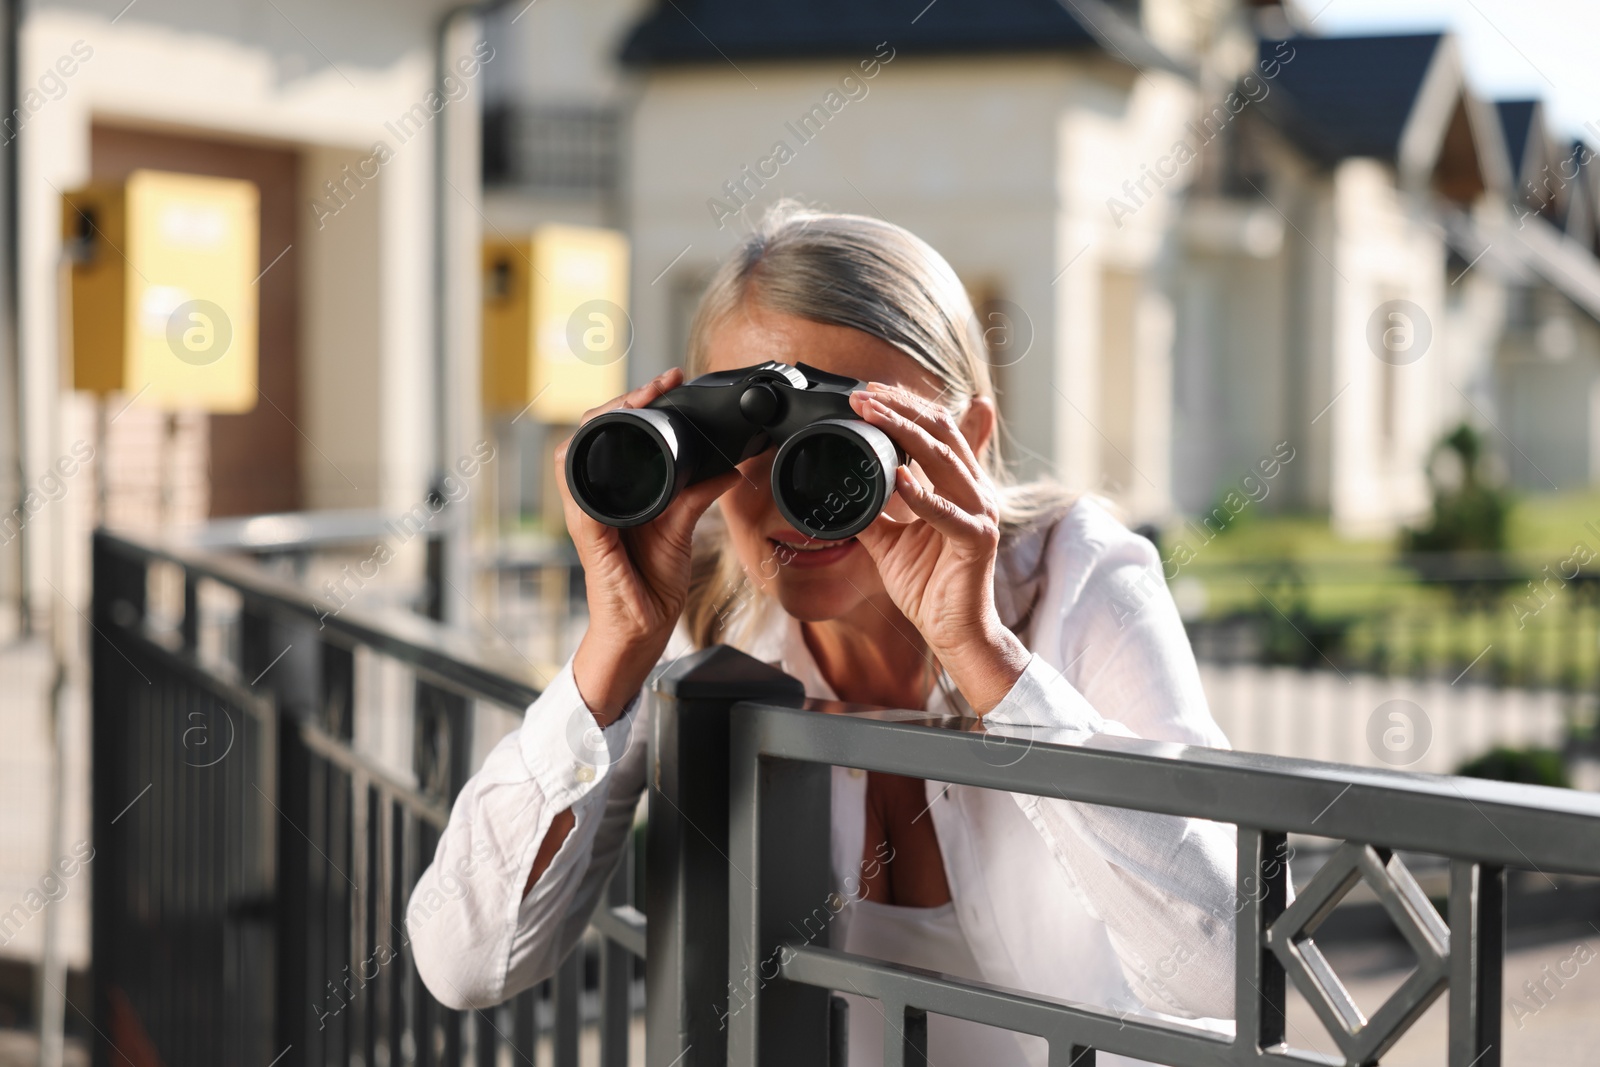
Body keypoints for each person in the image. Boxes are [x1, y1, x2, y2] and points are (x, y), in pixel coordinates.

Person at [406, 203, 1238, 1066]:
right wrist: (613, 649)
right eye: (746, 446)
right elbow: (462, 962)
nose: (794, 498)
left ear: (971, 440)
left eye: (842, 450)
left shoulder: (1082, 578)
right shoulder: (720, 631)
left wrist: (988, 658)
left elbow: (1226, 971)